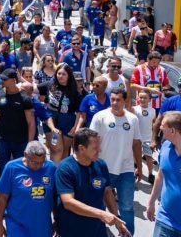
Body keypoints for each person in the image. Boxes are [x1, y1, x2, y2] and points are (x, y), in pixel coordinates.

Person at [55, 128, 129, 237]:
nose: (99, 150)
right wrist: (101, 214)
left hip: (97, 230)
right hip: (72, 230)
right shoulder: (65, 168)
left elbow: (107, 192)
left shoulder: (101, 164)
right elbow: (68, 202)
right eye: (95, 148)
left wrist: (116, 219)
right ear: (81, 148)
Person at [89, 88, 142, 235]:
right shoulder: (100, 117)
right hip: (103, 168)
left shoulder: (133, 119)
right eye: (112, 99)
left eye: (118, 100)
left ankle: (127, 233)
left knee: (127, 207)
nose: (115, 103)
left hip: (126, 169)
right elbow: (91, 142)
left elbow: (136, 143)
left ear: (125, 101)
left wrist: (140, 167)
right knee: (99, 205)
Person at [0, 141, 56, 237]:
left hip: (42, 226)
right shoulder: (11, 168)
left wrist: (57, 221)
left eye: (42, 162)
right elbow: (2, 199)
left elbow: (55, 197)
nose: (39, 166)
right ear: (25, 155)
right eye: (35, 162)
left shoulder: (51, 167)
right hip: (17, 226)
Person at [0, 69, 35, 177]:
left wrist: (29, 144)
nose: (2, 81)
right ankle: (4, 193)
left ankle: (16, 193)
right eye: (1, 78)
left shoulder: (24, 98)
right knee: (4, 169)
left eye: (5, 79)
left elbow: (31, 123)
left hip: (21, 141)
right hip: (3, 140)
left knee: (20, 170)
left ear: (14, 80)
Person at [41, 63, 82, 163]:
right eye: (59, 73)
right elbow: (34, 89)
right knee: (56, 149)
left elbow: (79, 111)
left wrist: (76, 126)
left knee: (64, 151)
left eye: (63, 74)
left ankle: (61, 174)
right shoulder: (50, 84)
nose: (60, 76)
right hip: (52, 120)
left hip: (68, 121)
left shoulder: (75, 90)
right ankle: (53, 174)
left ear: (69, 76)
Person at [133, 90, 157, 184]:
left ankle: (151, 174)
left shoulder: (153, 110)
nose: (142, 99)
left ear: (149, 99)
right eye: (141, 97)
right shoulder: (134, 109)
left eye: (145, 98)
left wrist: (154, 138)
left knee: (149, 157)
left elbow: (154, 123)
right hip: (137, 139)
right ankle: (137, 171)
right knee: (136, 157)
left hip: (148, 139)